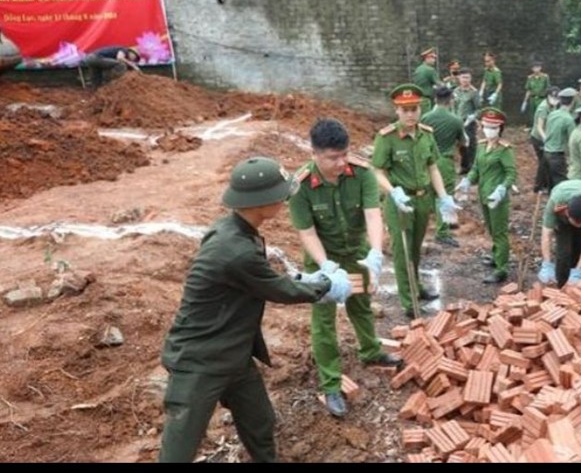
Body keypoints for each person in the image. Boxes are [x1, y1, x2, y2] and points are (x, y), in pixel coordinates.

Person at [158, 156, 349, 462]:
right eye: (280, 195)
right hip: (200, 360)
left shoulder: (235, 230)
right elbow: (278, 289)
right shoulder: (234, 249)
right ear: (262, 201)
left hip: (234, 354)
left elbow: (259, 278)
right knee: (179, 449)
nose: (284, 201)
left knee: (260, 421)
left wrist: (303, 278)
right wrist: (325, 285)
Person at [287, 119, 402, 418]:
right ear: (315, 154)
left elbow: (373, 216)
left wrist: (376, 255)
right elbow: (307, 233)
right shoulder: (299, 186)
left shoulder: (361, 173)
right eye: (332, 158)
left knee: (361, 303)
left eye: (344, 155)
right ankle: (330, 383)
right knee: (323, 320)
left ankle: (370, 351)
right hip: (321, 256)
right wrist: (326, 267)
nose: (341, 163)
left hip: (356, 252)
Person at [371, 83, 460, 318]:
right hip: (400, 202)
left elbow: (432, 166)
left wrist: (444, 197)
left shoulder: (426, 135)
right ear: (396, 111)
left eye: (414, 109)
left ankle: (416, 287)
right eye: (405, 110)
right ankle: (409, 302)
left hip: (422, 200)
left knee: (416, 249)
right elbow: (377, 171)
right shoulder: (387, 138)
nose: (410, 114)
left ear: (421, 109)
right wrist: (393, 191)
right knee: (402, 251)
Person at [457, 108, 517, 283]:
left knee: (500, 232)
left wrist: (502, 189)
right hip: (484, 194)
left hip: (497, 197)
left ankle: (501, 269)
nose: (489, 130)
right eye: (486, 126)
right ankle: (496, 256)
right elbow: (476, 168)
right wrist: (467, 181)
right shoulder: (482, 146)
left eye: (494, 127)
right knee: (491, 228)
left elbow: (511, 173)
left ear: (500, 129)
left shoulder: (505, 149)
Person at [537, 179, 581, 288]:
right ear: (567, 213)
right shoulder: (556, 201)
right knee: (564, 253)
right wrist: (547, 263)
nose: (578, 225)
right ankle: (560, 285)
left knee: (578, 249)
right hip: (563, 216)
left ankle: (572, 285)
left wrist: (578, 271)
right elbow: (546, 235)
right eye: (575, 222)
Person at [421, 86, 466, 248]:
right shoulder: (455, 120)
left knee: (426, 194)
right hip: (445, 161)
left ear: (435, 99)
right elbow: (463, 142)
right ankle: (442, 232)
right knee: (444, 197)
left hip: (426, 161)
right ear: (451, 100)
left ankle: (419, 230)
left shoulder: (425, 118)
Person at [541, 87, 577, 190]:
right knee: (561, 186)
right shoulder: (568, 119)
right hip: (557, 156)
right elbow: (572, 141)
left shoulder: (552, 114)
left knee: (551, 186)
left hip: (546, 154)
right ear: (573, 101)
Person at [453, 67, 482, 175]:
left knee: (471, 145)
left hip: (469, 122)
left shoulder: (474, 92)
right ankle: (464, 166)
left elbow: (479, 109)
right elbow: (454, 106)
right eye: (463, 77)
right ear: (459, 78)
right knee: (461, 145)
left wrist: (472, 117)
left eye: (468, 77)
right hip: (458, 121)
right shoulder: (456, 91)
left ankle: (473, 168)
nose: (465, 80)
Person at [530, 86, 559, 193]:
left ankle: (545, 184)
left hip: (547, 137)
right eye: (553, 97)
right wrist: (545, 139)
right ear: (548, 96)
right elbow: (539, 127)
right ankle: (538, 186)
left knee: (545, 162)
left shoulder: (553, 106)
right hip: (538, 138)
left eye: (557, 98)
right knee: (544, 162)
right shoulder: (543, 108)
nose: (555, 100)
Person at [522, 61, 550, 128]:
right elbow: (528, 90)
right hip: (532, 98)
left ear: (540, 68)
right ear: (532, 69)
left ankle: (541, 126)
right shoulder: (530, 78)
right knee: (532, 114)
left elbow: (548, 88)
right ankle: (532, 127)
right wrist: (525, 101)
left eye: (537, 67)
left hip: (541, 98)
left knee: (541, 113)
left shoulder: (545, 77)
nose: (536, 69)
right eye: (534, 68)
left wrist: (548, 99)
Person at [412, 47, 441, 113]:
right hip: (426, 100)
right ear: (427, 58)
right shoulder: (430, 70)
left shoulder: (418, 69)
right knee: (426, 119)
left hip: (417, 99)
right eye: (433, 58)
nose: (434, 60)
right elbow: (439, 84)